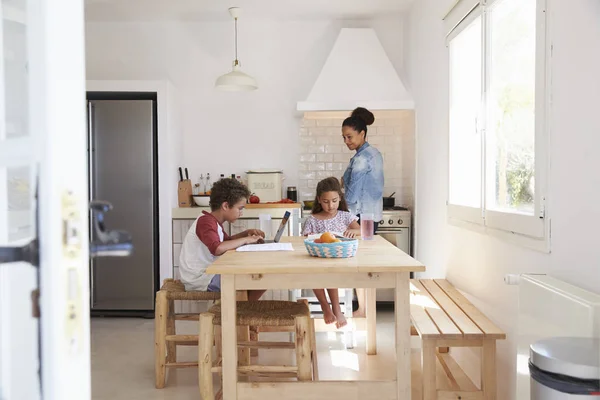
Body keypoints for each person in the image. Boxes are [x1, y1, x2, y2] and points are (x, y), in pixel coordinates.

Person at [179, 178, 266, 301]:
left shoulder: (213, 221)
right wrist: (246, 239)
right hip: (200, 279)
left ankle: (242, 311)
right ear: (225, 206)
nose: (241, 213)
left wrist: (246, 234)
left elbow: (226, 242)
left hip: (208, 274)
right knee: (260, 277)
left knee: (261, 275)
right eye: (240, 208)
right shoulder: (205, 221)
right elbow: (218, 248)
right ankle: (242, 312)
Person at [341, 107, 384, 318]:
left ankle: (365, 310)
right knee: (366, 263)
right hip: (372, 215)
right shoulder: (374, 153)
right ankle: (365, 309)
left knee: (358, 264)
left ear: (362, 134)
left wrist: (338, 210)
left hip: (359, 215)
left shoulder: (360, 159)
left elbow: (351, 195)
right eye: (344, 137)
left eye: (349, 137)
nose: (346, 141)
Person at [302, 177, 361, 328]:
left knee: (329, 271)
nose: (330, 205)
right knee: (314, 272)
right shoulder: (313, 220)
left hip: (340, 260)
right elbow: (305, 239)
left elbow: (359, 229)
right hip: (317, 261)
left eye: (334, 201)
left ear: (340, 198)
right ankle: (325, 306)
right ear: (319, 200)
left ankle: (336, 308)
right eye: (326, 201)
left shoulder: (345, 216)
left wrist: (351, 231)